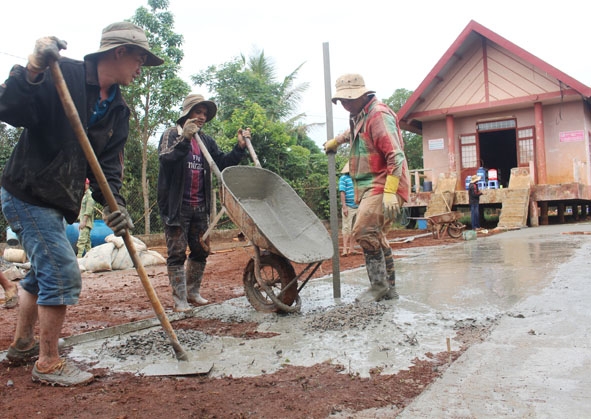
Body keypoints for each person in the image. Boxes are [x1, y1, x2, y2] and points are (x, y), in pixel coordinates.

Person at [0, 22, 163, 386]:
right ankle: (48, 362)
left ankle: (24, 345)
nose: (141, 67)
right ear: (119, 52)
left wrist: (114, 206)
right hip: (27, 190)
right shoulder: (63, 74)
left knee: (41, 275)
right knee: (61, 271)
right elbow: (9, 108)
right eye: (139, 58)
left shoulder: (117, 109)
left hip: (59, 200)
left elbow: (108, 167)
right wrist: (32, 68)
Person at [158, 93, 249, 312]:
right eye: (197, 112)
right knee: (177, 253)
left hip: (200, 206)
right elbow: (166, 158)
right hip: (177, 207)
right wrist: (185, 140)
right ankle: (179, 298)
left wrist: (239, 148)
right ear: (187, 113)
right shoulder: (172, 134)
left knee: (200, 250)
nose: (201, 117)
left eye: (204, 114)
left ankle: (192, 292)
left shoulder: (206, 140)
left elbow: (223, 163)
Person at [324, 73, 410, 303]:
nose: (345, 104)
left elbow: (396, 156)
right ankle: (389, 289)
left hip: (385, 182)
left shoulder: (378, 115)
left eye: (349, 99)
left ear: (363, 94)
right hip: (369, 185)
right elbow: (354, 133)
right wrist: (337, 141)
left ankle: (379, 286)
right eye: (342, 100)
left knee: (362, 231)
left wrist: (391, 192)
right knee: (376, 235)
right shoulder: (359, 114)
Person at [339, 162, 359, 256]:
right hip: (348, 206)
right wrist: (344, 207)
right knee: (346, 227)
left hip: (357, 206)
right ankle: (344, 249)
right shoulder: (344, 178)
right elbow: (342, 192)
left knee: (355, 228)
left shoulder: (357, 179)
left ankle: (351, 248)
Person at [76, 179, 95, 258]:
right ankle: (90, 258)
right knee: (87, 242)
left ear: (87, 184)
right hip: (83, 221)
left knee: (81, 241)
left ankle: (79, 258)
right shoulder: (84, 195)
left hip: (86, 222)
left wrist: (84, 221)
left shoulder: (89, 195)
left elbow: (89, 210)